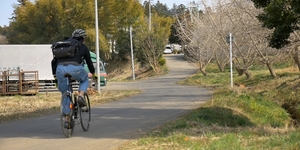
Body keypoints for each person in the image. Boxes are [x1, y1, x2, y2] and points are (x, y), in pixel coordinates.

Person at [51, 29, 96, 119]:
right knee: (84, 79)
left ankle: (67, 118)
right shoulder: (82, 46)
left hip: (59, 69)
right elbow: (89, 62)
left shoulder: (62, 46)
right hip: (75, 68)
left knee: (66, 92)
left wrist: (55, 76)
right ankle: (80, 96)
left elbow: (53, 62)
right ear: (82, 38)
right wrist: (93, 73)